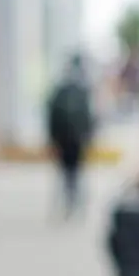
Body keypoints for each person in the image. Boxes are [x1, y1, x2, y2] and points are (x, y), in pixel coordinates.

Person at [46, 53, 97, 218]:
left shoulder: (60, 91)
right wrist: (89, 138)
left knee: (67, 173)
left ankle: (71, 202)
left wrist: (52, 139)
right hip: (76, 139)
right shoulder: (81, 91)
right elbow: (89, 118)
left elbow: (51, 117)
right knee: (74, 172)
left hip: (64, 139)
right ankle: (74, 202)